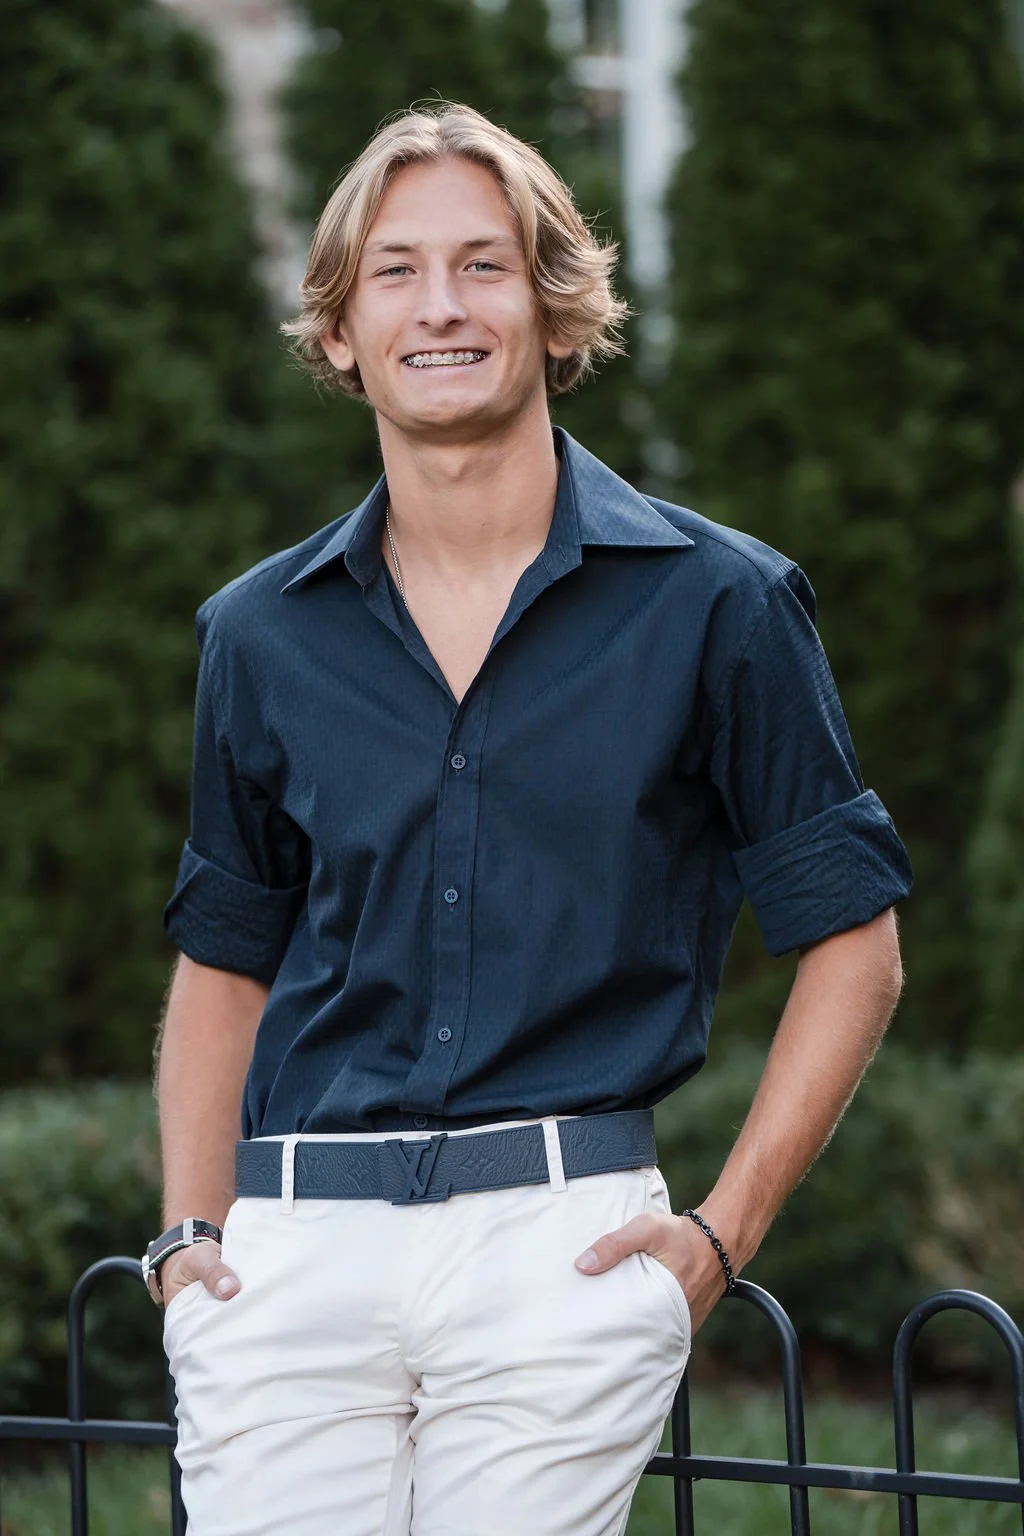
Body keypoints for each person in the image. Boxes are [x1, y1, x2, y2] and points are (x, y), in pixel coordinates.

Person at [146, 102, 912, 1536]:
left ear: (558, 316)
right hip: (292, 1249)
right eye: (396, 272)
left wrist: (715, 1238)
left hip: (563, 1242)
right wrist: (192, 1239)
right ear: (338, 332)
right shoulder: (256, 635)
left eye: (485, 267)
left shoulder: (720, 604)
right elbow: (224, 959)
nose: (441, 306)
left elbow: (854, 943)